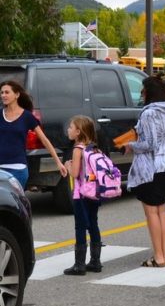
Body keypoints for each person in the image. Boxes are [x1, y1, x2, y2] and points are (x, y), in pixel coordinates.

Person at [125, 75, 165, 267]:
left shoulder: (148, 113)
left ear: (149, 92)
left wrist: (131, 145)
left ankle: (158, 256)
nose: (141, 94)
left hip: (150, 167)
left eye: (143, 90)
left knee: (151, 213)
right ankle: (164, 255)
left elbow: (149, 144)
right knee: (162, 210)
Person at [0, 80, 67, 187]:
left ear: (17, 95)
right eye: (2, 92)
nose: (3, 95)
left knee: (15, 203)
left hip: (18, 170)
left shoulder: (27, 116)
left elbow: (44, 140)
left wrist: (58, 163)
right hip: (1, 170)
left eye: (7, 92)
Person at [63, 116, 103, 275]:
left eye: (70, 127)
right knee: (93, 224)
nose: (68, 130)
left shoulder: (77, 149)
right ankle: (95, 261)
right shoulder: (94, 148)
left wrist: (68, 165)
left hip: (81, 194)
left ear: (78, 132)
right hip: (94, 192)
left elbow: (74, 173)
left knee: (80, 226)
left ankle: (79, 265)